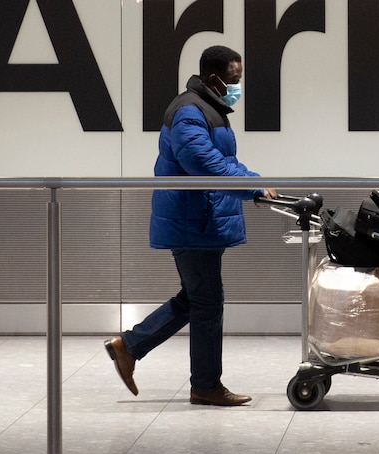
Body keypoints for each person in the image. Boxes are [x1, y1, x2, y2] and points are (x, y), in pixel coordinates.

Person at [104, 45, 277, 406]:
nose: (237, 87)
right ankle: (205, 385)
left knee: (196, 299)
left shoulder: (206, 109)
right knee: (207, 303)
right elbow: (203, 163)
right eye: (234, 80)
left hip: (199, 218)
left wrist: (254, 181)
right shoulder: (188, 112)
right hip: (193, 221)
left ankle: (129, 345)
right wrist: (251, 186)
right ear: (213, 78)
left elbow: (223, 159)